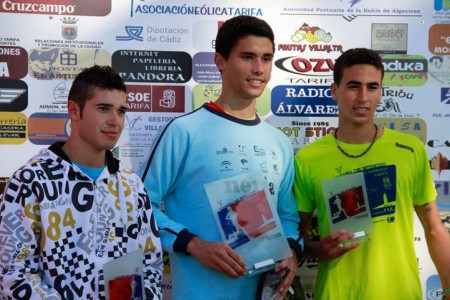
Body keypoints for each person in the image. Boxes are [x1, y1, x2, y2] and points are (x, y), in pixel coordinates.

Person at [139, 15, 303, 299]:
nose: (258, 69)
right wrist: (193, 244)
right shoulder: (184, 131)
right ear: (220, 61)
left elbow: (288, 216)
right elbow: (138, 207)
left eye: (266, 58)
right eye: (247, 56)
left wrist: (290, 251)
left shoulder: (280, 143)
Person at [293, 48, 450, 299]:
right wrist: (319, 249)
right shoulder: (307, 159)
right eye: (353, 86)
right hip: (336, 293)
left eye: (372, 87)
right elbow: (293, 239)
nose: (363, 97)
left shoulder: (410, 150)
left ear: (380, 93)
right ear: (335, 91)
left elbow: (434, 229)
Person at [0, 65, 163, 299]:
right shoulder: (31, 180)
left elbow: (150, 264)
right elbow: (14, 275)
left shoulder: (132, 185)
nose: (115, 120)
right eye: (104, 108)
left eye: (121, 111)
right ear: (74, 111)